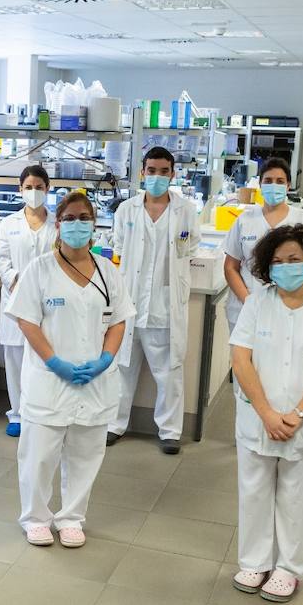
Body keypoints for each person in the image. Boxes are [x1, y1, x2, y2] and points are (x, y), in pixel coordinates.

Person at [230, 225, 303, 603]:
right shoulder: (257, 302)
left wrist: (297, 415)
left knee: (298, 496)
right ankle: (255, 561)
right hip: (257, 417)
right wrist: (266, 412)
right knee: (254, 490)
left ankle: (289, 569)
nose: (285, 267)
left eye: (294, 260)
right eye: (277, 262)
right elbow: (241, 357)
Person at [7, 191, 132, 548]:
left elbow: (119, 320)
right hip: (49, 379)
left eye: (85, 218)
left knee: (86, 453)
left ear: (94, 224)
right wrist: (54, 362)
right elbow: (27, 322)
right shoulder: (40, 269)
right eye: (71, 218)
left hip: (95, 380)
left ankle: (72, 517)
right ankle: (35, 518)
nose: (78, 224)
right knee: (39, 456)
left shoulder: (108, 271)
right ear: (57, 226)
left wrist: (106, 359)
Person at [108, 146, 201, 454]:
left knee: (169, 371)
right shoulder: (127, 210)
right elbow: (118, 251)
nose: (158, 177)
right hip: (130, 300)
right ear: (142, 173)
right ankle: (114, 424)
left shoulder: (185, 210)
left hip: (165, 301)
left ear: (173, 174)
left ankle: (170, 431)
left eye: (164, 171)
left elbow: (190, 249)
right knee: (122, 365)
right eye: (152, 171)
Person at [222, 156, 303, 332]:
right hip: (245, 306)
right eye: (268, 181)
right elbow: (231, 267)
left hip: (291, 307)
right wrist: (249, 301)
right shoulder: (245, 220)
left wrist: (297, 298)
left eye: (280, 181)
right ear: (260, 184)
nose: (273, 185)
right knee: (243, 358)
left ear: (288, 186)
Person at [0, 164, 57, 438]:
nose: (33, 192)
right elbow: (2, 260)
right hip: (15, 301)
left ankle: (40, 411)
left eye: (39, 187)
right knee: (16, 358)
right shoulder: (9, 224)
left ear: (48, 188)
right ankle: (17, 414)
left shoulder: (57, 224)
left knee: (44, 358)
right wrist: (18, 283)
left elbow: (60, 260)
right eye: (28, 187)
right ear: (20, 190)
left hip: (47, 302)